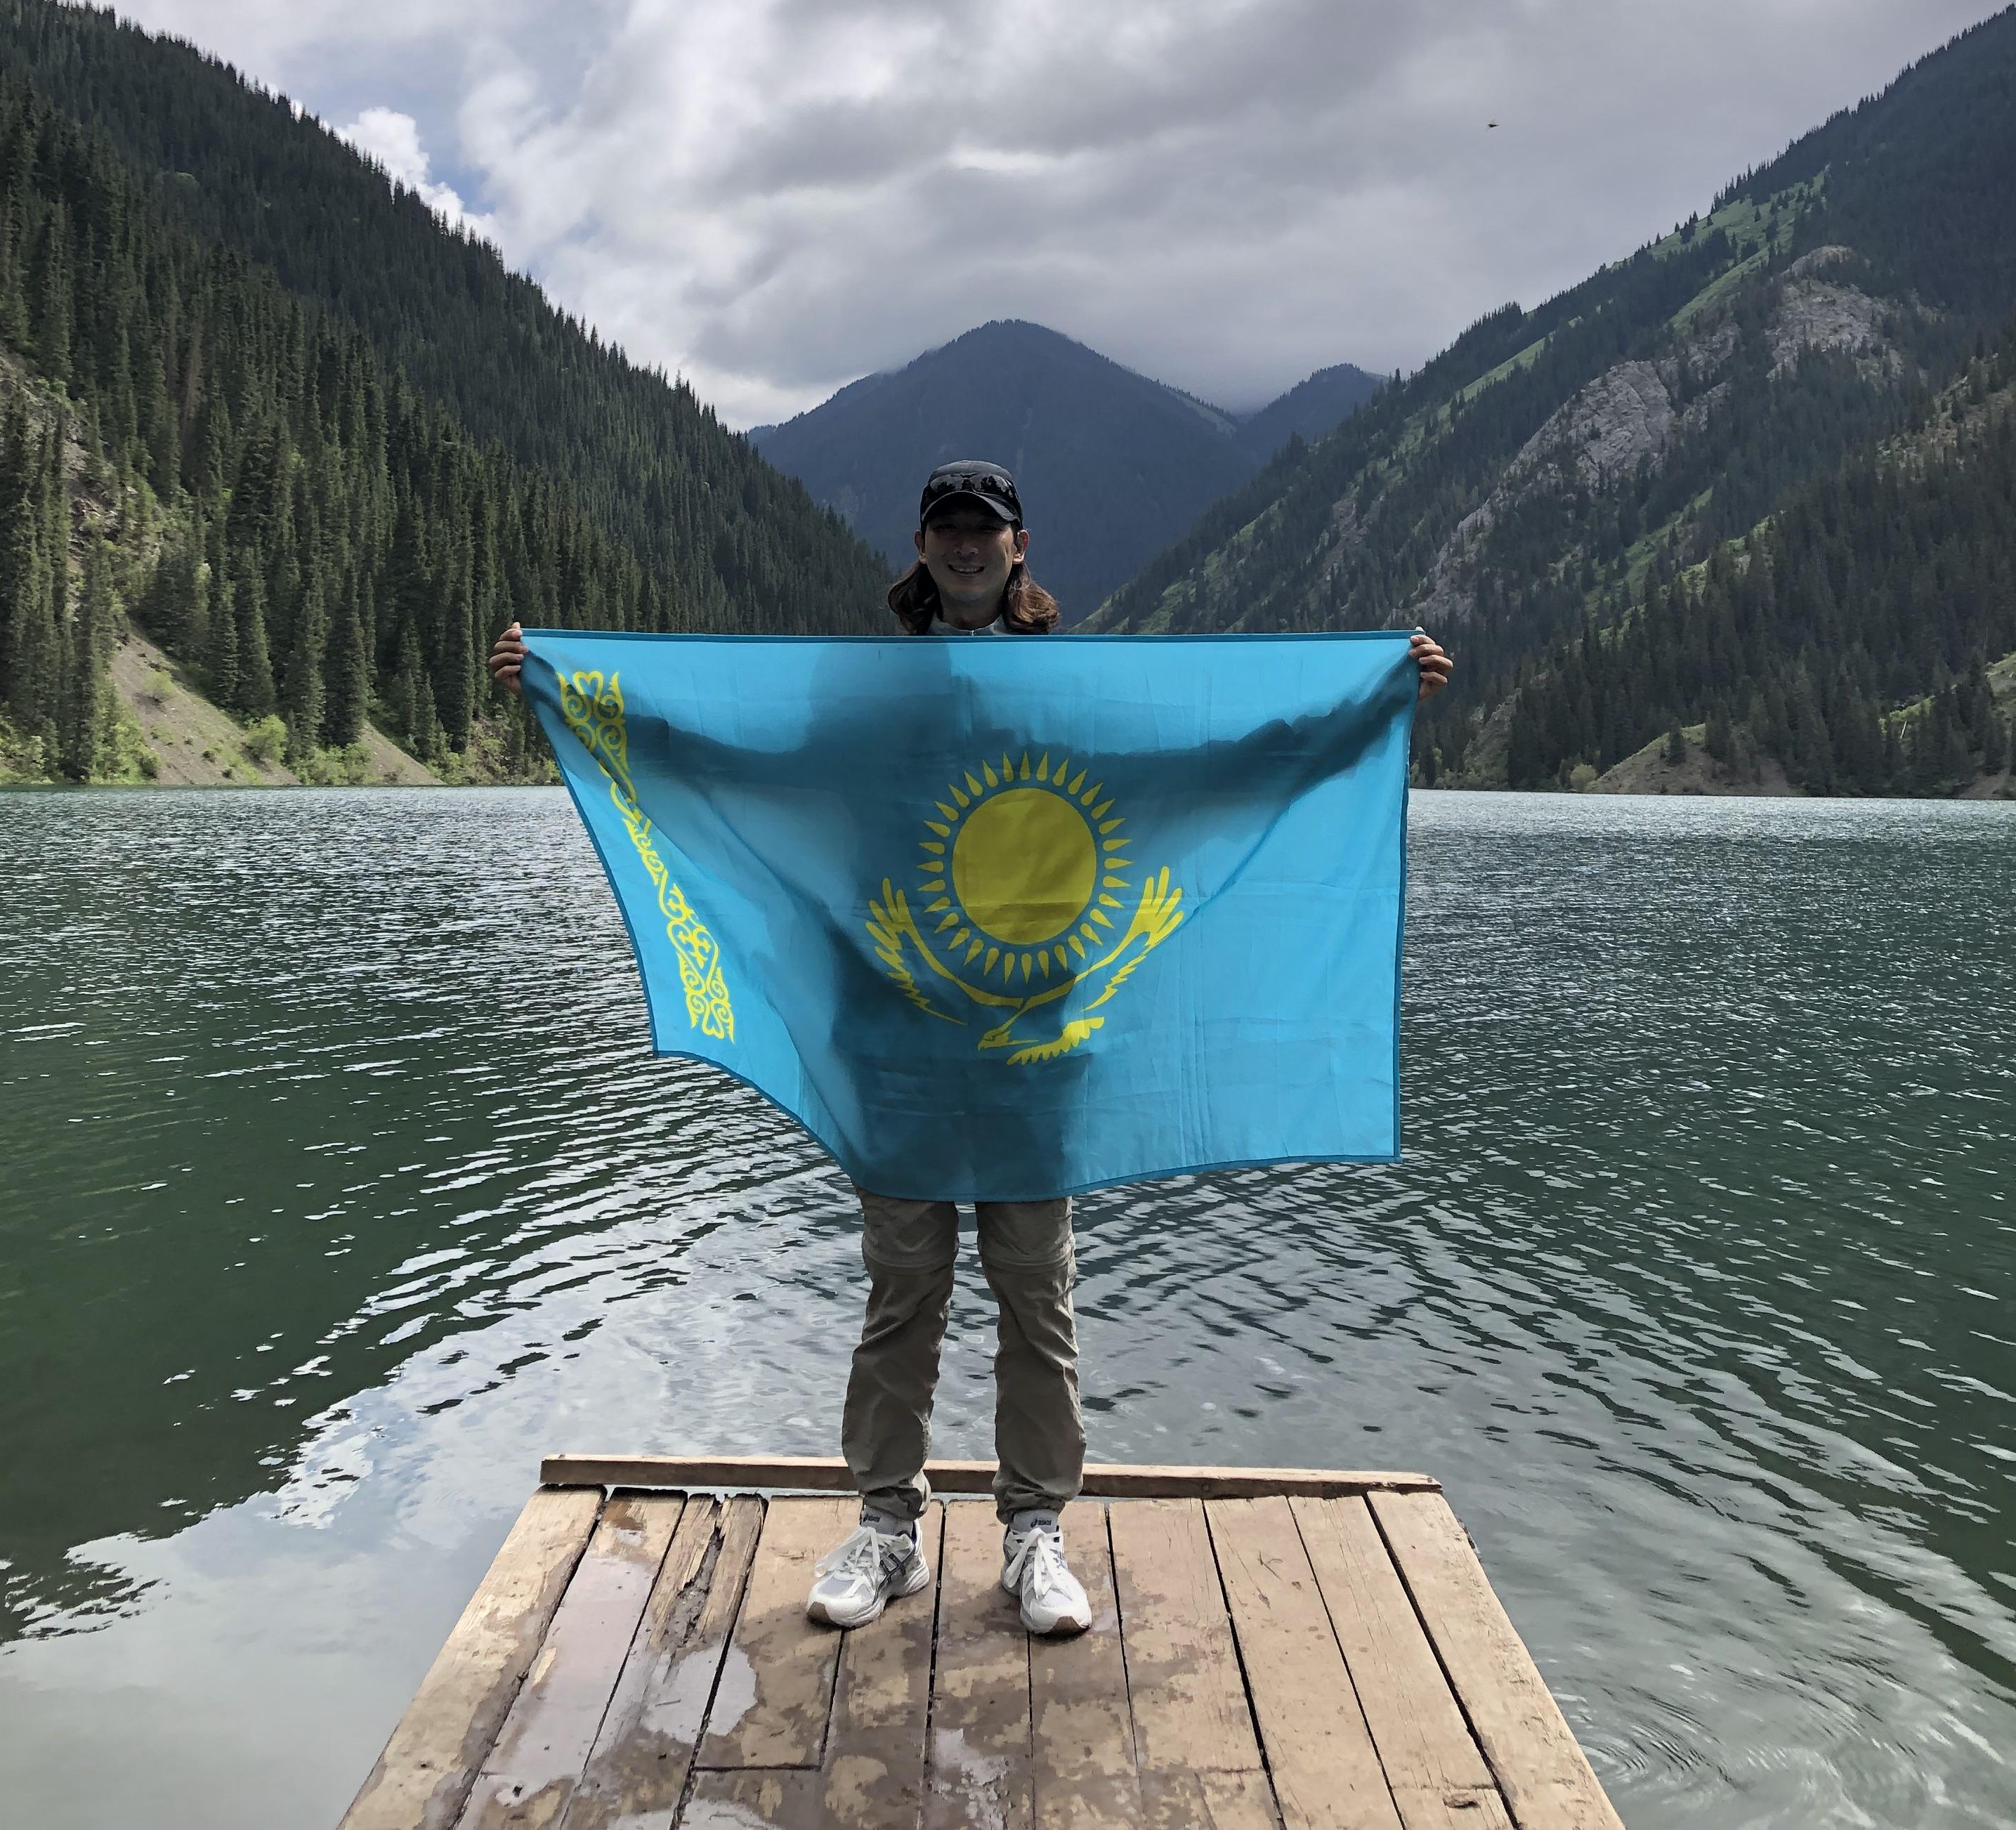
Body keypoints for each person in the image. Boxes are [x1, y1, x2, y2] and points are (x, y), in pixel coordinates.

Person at [487, 455, 1453, 1645]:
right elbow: (753, 767)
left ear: (1018, 546)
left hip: (1037, 1053)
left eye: (983, 527)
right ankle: (887, 1528)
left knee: (1035, 1299)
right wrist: (579, 695)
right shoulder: (867, 695)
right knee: (903, 1296)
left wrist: (1365, 704)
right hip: (891, 1042)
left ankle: (1034, 1532)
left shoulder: (1065, 688)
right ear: (921, 546)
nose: (964, 542)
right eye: (945, 525)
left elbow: (1200, 766)